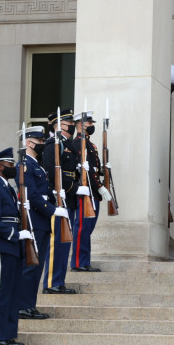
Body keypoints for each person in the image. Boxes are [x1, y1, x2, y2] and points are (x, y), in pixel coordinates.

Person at [16, 126, 65, 319]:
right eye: (40, 141)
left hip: (41, 221)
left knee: (37, 266)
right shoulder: (25, 165)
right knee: (30, 265)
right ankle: (23, 306)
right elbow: (32, 195)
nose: (43, 145)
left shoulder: (37, 165)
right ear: (29, 143)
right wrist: (53, 210)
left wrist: (54, 198)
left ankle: (29, 304)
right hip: (34, 220)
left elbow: (42, 192)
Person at [0, 148, 31, 345]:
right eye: (10, 165)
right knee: (3, 292)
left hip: (15, 245)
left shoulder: (9, 188)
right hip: (5, 244)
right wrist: (14, 234)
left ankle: (9, 333)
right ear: (0, 166)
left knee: (13, 292)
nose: (14, 168)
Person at [42, 109, 86, 294]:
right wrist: (74, 188)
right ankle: (51, 282)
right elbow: (53, 173)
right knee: (57, 242)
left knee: (65, 243)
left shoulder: (68, 144)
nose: (73, 126)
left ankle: (59, 281)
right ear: (61, 125)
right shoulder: (54, 144)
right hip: (59, 197)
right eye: (69, 123)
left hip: (69, 199)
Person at [71, 110, 112, 271]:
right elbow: (86, 172)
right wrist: (100, 186)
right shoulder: (77, 143)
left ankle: (85, 261)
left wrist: (103, 170)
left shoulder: (90, 144)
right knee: (82, 228)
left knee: (87, 229)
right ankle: (78, 263)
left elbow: (94, 169)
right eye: (89, 123)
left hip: (93, 192)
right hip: (86, 191)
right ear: (80, 125)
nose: (92, 126)